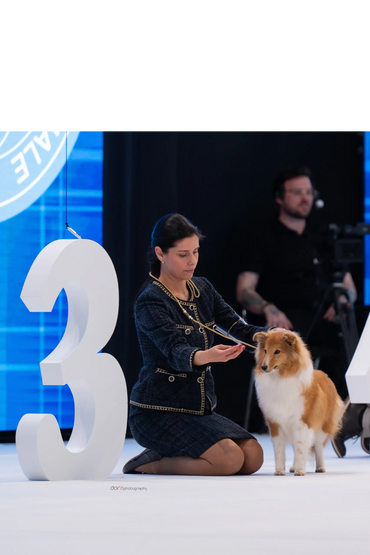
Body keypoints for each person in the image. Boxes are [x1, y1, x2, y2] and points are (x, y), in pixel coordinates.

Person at [123, 213, 276, 476]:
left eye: (195, 251)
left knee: (253, 456)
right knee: (228, 461)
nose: (192, 260)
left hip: (197, 408)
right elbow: (176, 351)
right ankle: (151, 463)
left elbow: (238, 328)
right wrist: (206, 356)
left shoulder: (202, 288)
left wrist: (272, 335)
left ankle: (174, 452)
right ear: (160, 253)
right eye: (183, 254)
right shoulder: (150, 301)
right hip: (158, 412)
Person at [236, 166, 365, 457]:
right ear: (280, 198)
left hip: (326, 319)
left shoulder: (323, 235)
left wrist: (341, 301)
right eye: (297, 192)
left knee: (357, 324)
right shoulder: (263, 236)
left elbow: (350, 287)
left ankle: (354, 415)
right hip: (286, 323)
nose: (305, 198)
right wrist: (269, 309)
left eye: (309, 192)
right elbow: (245, 288)